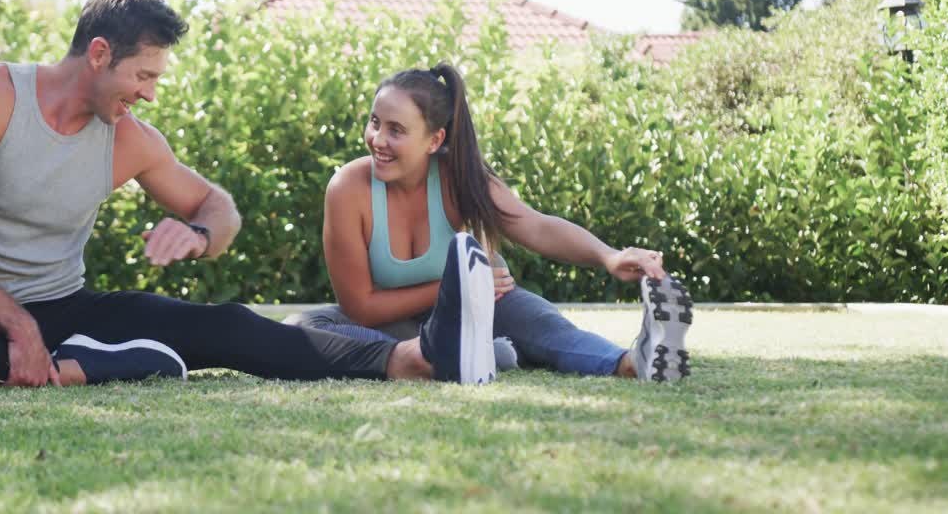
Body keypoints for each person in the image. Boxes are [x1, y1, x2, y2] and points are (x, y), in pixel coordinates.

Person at [0, 0, 499, 388]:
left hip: (67, 310)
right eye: (143, 74)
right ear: (98, 53)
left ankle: (408, 359)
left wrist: (199, 234)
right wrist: (17, 328)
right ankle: (89, 368)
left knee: (227, 323)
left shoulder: (130, 139)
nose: (149, 92)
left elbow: (219, 208)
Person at [285, 63, 693, 382]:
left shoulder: (460, 178)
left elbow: (533, 225)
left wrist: (608, 256)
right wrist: (458, 286)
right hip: (392, 324)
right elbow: (361, 307)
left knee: (545, 329)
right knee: (303, 325)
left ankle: (633, 362)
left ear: (435, 140)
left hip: (481, 308)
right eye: (375, 122)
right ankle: (469, 353)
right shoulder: (348, 189)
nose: (377, 140)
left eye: (396, 130)